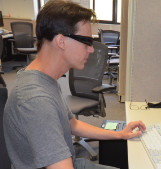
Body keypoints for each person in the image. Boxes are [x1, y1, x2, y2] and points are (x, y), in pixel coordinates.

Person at [3, 1, 146, 169]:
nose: (91, 50)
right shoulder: (36, 100)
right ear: (61, 41)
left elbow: (73, 124)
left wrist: (119, 134)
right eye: (86, 41)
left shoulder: (45, 79)